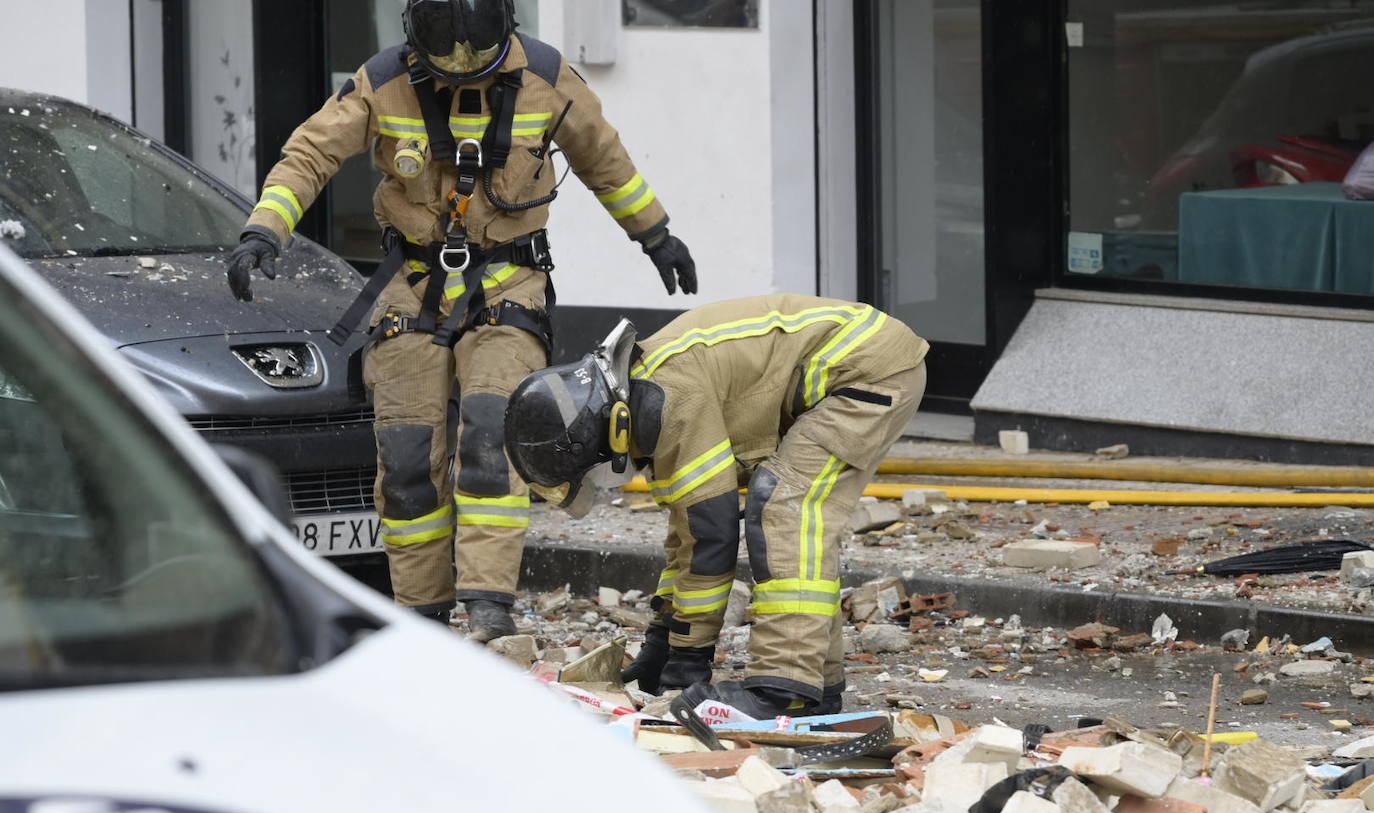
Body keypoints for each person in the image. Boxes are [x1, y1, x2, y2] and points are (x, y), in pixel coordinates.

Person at [225, 0, 696, 641]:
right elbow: (310, 156)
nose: (465, 76)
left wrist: (656, 235)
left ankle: (489, 605)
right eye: (450, 70)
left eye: (479, 65)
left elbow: (604, 160)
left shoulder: (547, 76)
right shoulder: (382, 80)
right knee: (408, 454)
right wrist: (264, 230)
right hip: (411, 287)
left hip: (508, 282)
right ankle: (421, 614)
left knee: (491, 439)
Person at [502, 294, 928, 718]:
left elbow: (713, 537)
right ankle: (818, 687)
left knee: (784, 507)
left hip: (867, 369)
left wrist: (688, 658)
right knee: (786, 511)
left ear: (598, 438)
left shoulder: (666, 400)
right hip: (859, 361)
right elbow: (689, 531)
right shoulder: (638, 391)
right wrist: (662, 643)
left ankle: (784, 689)